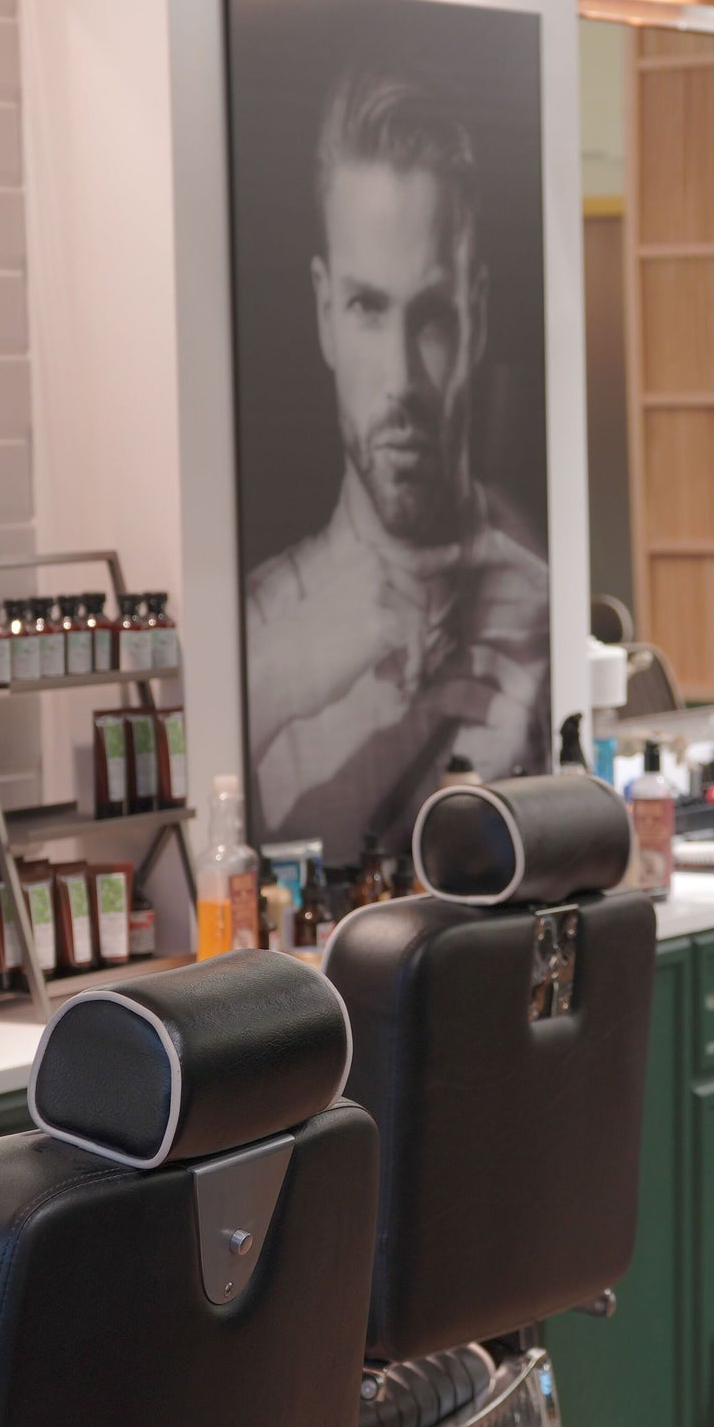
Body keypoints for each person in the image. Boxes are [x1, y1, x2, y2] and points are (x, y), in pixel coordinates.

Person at [246, 70, 549, 864]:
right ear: (324, 313)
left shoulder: (543, 619)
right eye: (366, 308)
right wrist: (273, 685)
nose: (401, 380)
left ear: (476, 317)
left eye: (432, 317)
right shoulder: (257, 637)